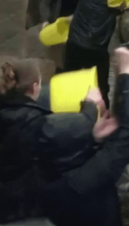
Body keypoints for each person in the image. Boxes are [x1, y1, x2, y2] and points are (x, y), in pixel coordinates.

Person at [0, 48, 129, 226]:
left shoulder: (17, 137)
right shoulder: (42, 132)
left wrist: (91, 137)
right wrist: (127, 73)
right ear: (34, 87)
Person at [0, 59, 102, 223]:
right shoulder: (33, 123)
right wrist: (90, 104)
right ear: (35, 87)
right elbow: (82, 125)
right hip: (18, 200)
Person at [40, 0, 84, 73]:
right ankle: (61, 69)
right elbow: (45, 2)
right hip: (59, 19)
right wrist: (45, 20)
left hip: (76, 19)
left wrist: (76, 16)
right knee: (60, 51)